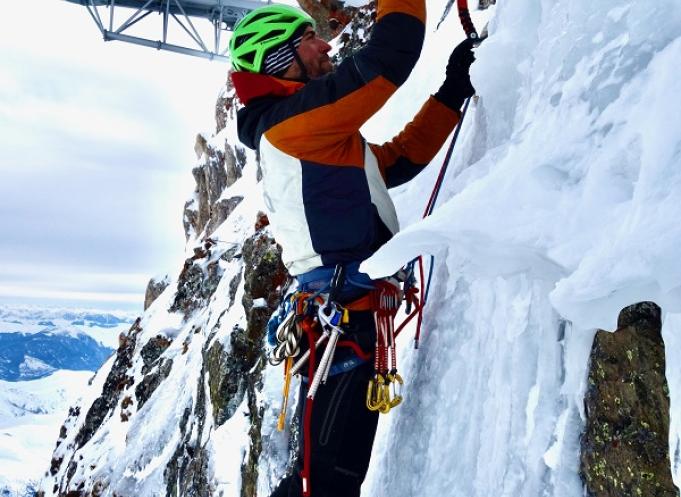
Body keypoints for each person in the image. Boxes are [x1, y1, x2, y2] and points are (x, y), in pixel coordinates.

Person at [229, 2, 476, 496]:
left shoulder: (303, 132)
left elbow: (395, 162)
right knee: (324, 483)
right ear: (278, 59)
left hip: (344, 324)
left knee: (325, 478)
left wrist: (452, 90)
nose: (326, 44)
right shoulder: (292, 126)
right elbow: (390, 55)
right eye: (308, 40)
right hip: (344, 324)